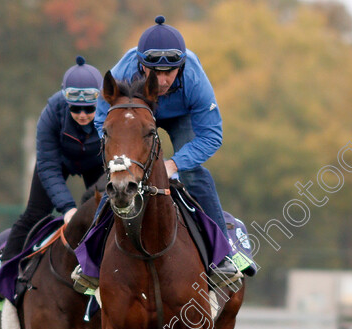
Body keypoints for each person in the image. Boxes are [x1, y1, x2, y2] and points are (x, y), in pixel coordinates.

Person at [72, 15, 241, 290]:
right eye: (155, 72)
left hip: (180, 117)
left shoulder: (195, 80)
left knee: (195, 175)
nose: (162, 81)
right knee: (116, 178)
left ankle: (222, 259)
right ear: (140, 65)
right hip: (135, 113)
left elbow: (212, 135)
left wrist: (174, 164)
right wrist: (120, 160)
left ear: (182, 66)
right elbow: (104, 120)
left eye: (170, 72)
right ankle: (91, 261)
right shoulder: (123, 72)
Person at [0, 56, 104, 299]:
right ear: (65, 102)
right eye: (76, 108)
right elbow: (48, 166)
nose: (83, 114)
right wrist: (67, 207)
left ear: (100, 102)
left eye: (89, 109)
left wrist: (82, 207)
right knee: (34, 214)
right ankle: (3, 276)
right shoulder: (51, 113)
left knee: (100, 213)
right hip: (59, 161)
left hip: (96, 162)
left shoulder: (111, 112)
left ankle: (102, 270)